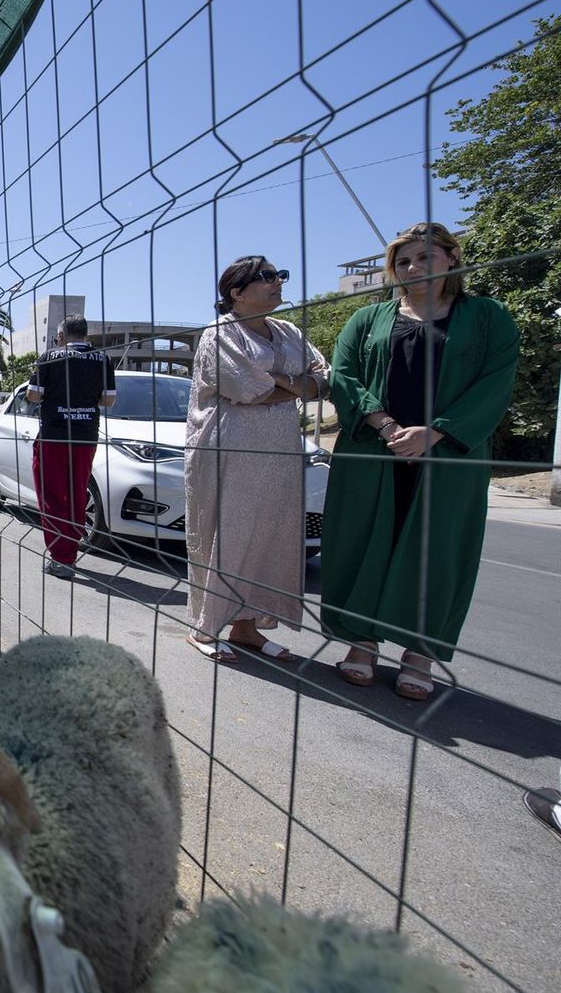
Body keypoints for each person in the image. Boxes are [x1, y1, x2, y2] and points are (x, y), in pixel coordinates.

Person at [322, 223, 518, 700]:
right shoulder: (367, 320)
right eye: (403, 261)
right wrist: (387, 427)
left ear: (452, 259)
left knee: (439, 550)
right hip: (373, 450)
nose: (412, 268)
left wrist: (436, 432)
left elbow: (496, 382)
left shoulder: (488, 318)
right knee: (362, 541)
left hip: (449, 455)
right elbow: (343, 376)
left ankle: (418, 653)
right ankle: (362, 643)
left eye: (424, 257)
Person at [183, 256, 328, 663]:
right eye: (267, 277)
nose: (278, 282)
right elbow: (246, 388)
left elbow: (324, 374)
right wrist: (293, 384)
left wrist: (280, 382)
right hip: (228, 450)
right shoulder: (220, 333)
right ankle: (203, 626)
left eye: (280, 275)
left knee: (271, 537)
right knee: (225, 535)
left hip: (279, 449)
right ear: (237, 292)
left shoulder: (287, 331)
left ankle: (247, 628)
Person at [27, 315, 116, 578]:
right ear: (85, 336)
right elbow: (109, 401)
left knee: (52, 496)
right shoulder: (103, 359)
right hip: (86, 434)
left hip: (54, 434)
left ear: (62, 336)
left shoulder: (50, 357)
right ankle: (70, 550)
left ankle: (61, 557)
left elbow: (33, 394)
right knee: (77, 493)